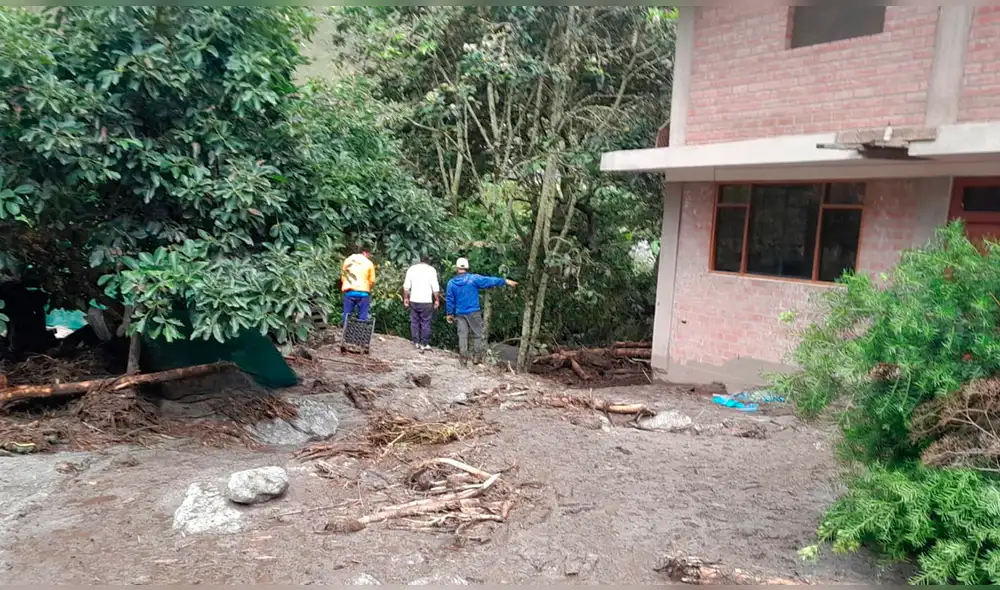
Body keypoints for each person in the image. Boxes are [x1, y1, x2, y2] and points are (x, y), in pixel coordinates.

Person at [445, 257, 517, 366]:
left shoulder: (451, 283)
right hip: (474, 311)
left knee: (462, 335)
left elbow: (450, 300)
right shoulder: (473, 279)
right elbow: (489, 280)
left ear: (457, 268)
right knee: (477, 334)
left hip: (460, 313)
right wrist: (504, 281)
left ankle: (463, 358)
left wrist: (449, 313)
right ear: (467, 267)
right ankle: (476, 357)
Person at [403, 256, 440, 351]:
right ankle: (425, 343)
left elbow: (406, 287)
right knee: (425, 322)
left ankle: (416, 342)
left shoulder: (412, 269)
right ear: (429, 261)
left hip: (414, 299)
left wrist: (406, 298)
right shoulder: (431, 270)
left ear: (420, 260)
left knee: (414, 321)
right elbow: (435, 288)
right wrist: (437, 300)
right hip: (426, 301)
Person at [341, 250, 376, 326]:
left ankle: (345, 331)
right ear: (365, 253)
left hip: (349, 291)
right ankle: (360, 331)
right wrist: (367, 287)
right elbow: (372, 280)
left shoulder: (347, 260)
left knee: (347, 314)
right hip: (363, 293)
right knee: (363, 315)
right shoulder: (369, 263)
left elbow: (343, 276)